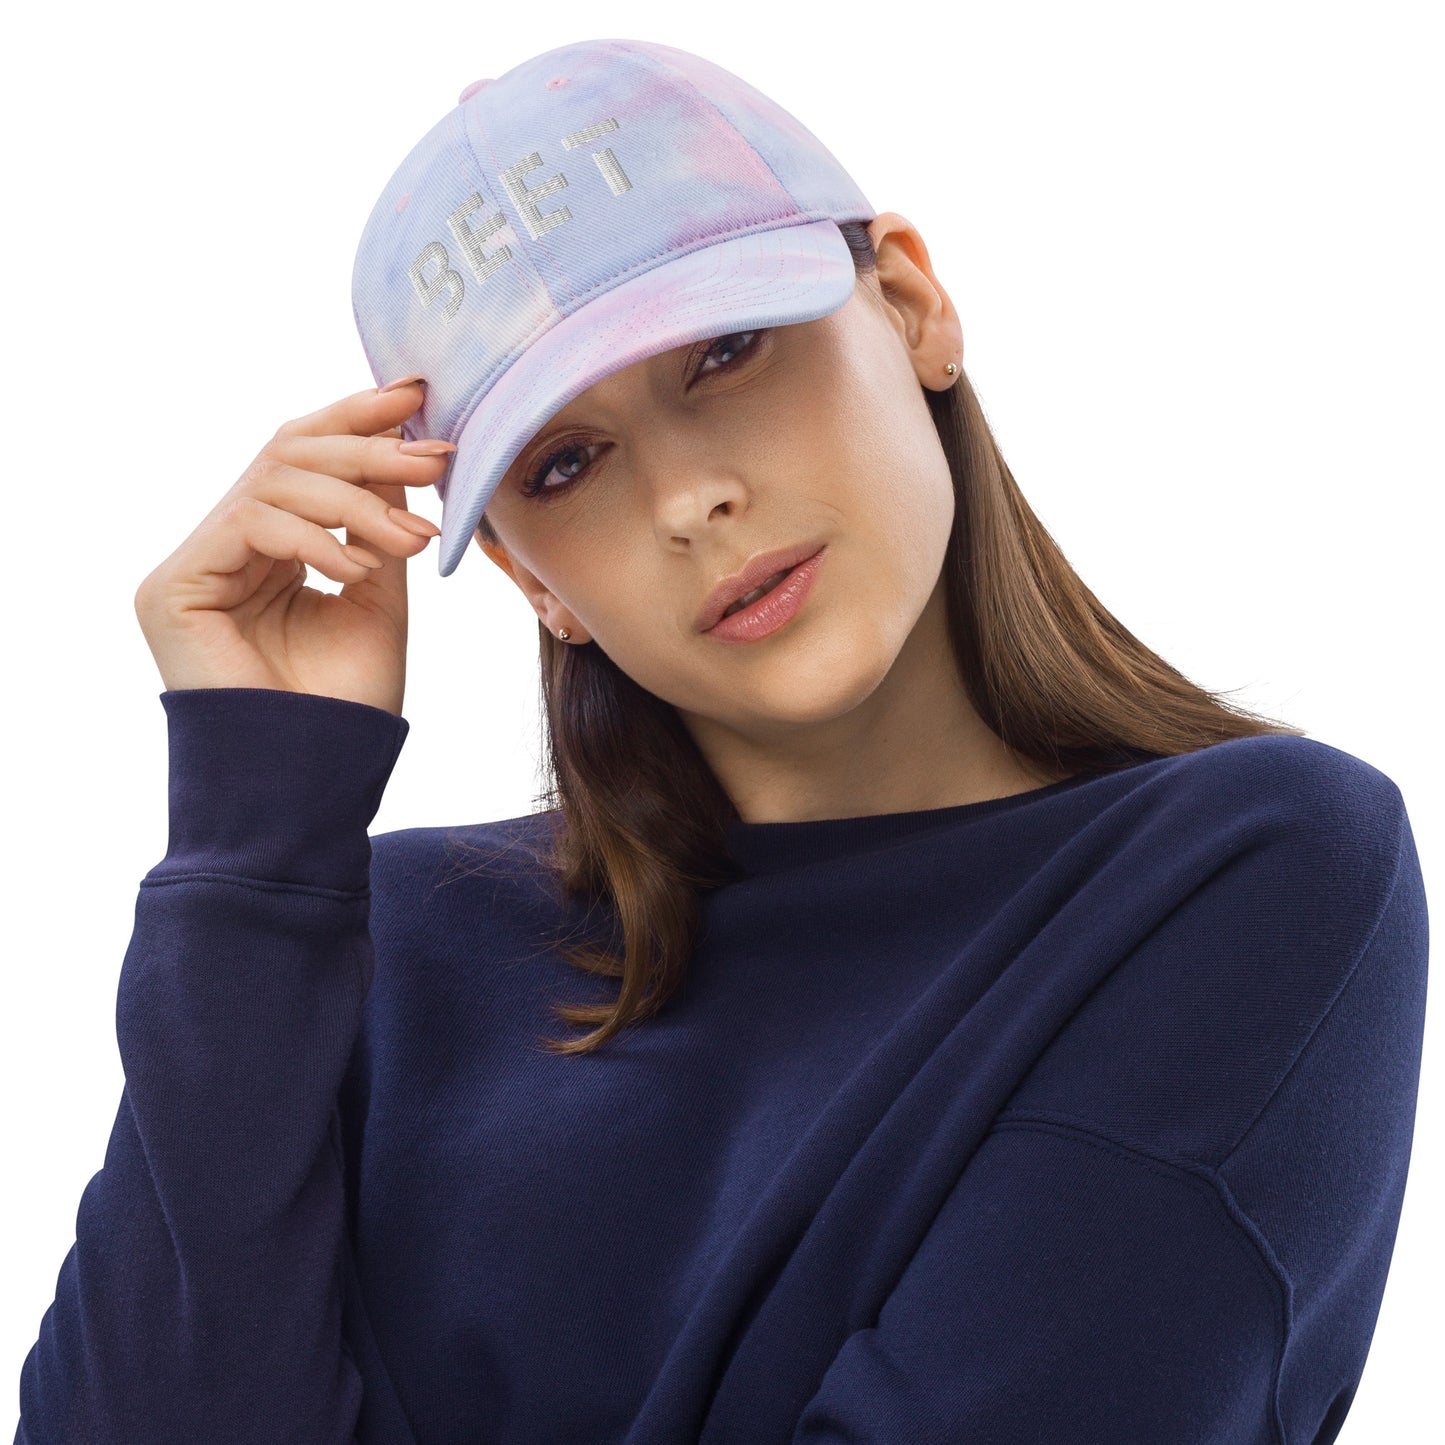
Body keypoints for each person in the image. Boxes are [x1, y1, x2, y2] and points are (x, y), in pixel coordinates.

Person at [12, 36, 1428, 1445]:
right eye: (566, 462)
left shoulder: (1244, 875)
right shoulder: (368, 942)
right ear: (532, 582)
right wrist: (257, 827)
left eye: (728, 352)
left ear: (911, 304)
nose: (689, 499)